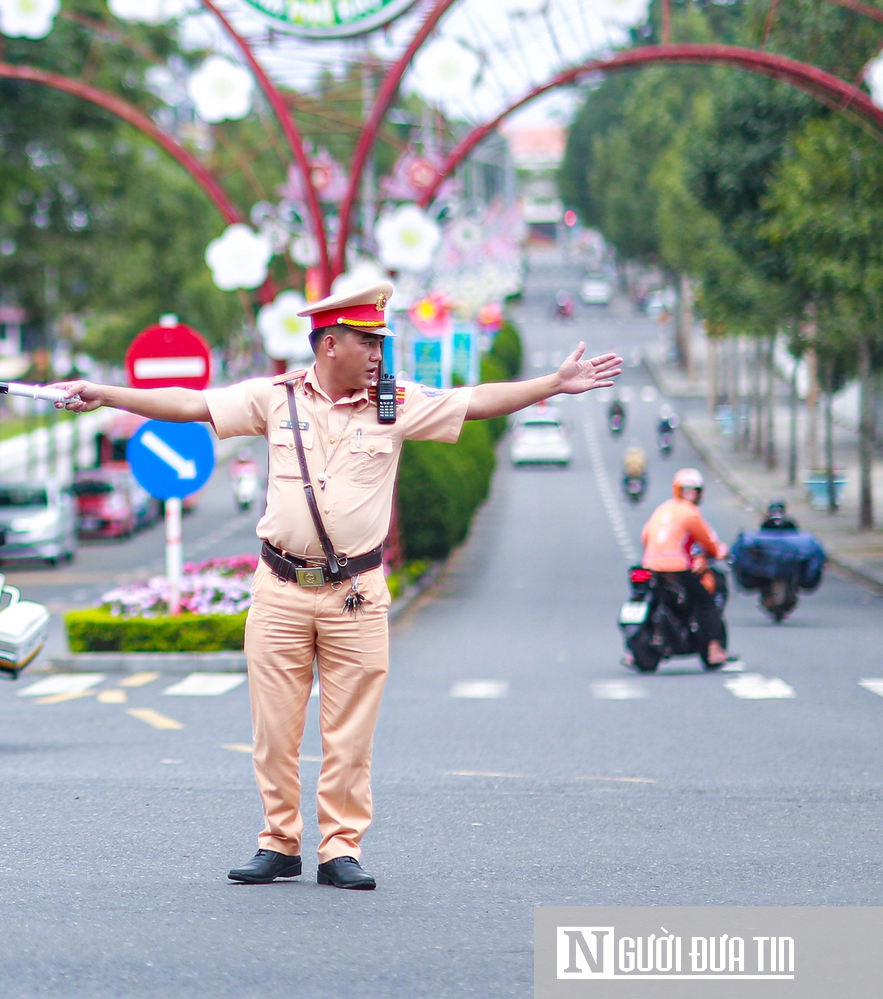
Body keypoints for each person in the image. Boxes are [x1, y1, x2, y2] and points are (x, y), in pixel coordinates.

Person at [51, 284, 623, 891]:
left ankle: (340, 848)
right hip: (280, 588)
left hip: (356, 593)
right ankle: (278, 842)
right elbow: (192, 405)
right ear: (329, 344)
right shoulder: (274, 400)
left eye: (381, 342)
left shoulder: (394, 404)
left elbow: (477, 400)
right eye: (366, 341)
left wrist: (552, 384)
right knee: (274, 732)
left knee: (349, 735)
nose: (378, 353)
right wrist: (105, 395)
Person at [639, 467, 728, 667]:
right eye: (688, 491)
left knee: (653, 597)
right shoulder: (691, 513)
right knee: (706, 604)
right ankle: (713, 648)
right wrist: (719, 552)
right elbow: (708, 541)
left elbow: (645, 536)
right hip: (676, 568)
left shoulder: (663, 509)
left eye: (693, 491)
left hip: (650, 565)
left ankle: (634, 650)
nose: (691, 495)